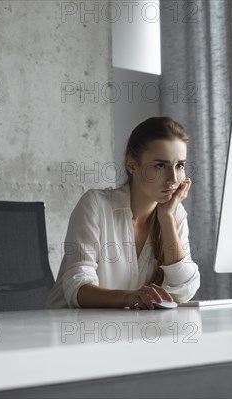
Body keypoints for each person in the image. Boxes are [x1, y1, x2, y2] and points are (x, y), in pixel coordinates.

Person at [46, 117, 201, 309]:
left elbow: (184, 289)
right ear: (132, 165)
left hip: (126, 331)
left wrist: (167, 218)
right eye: (160, 166)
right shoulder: (95, 205)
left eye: (180, 166)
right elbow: (77, 287)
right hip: (68, 331)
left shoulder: (174, 214)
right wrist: (130, 298)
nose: (173, 179)